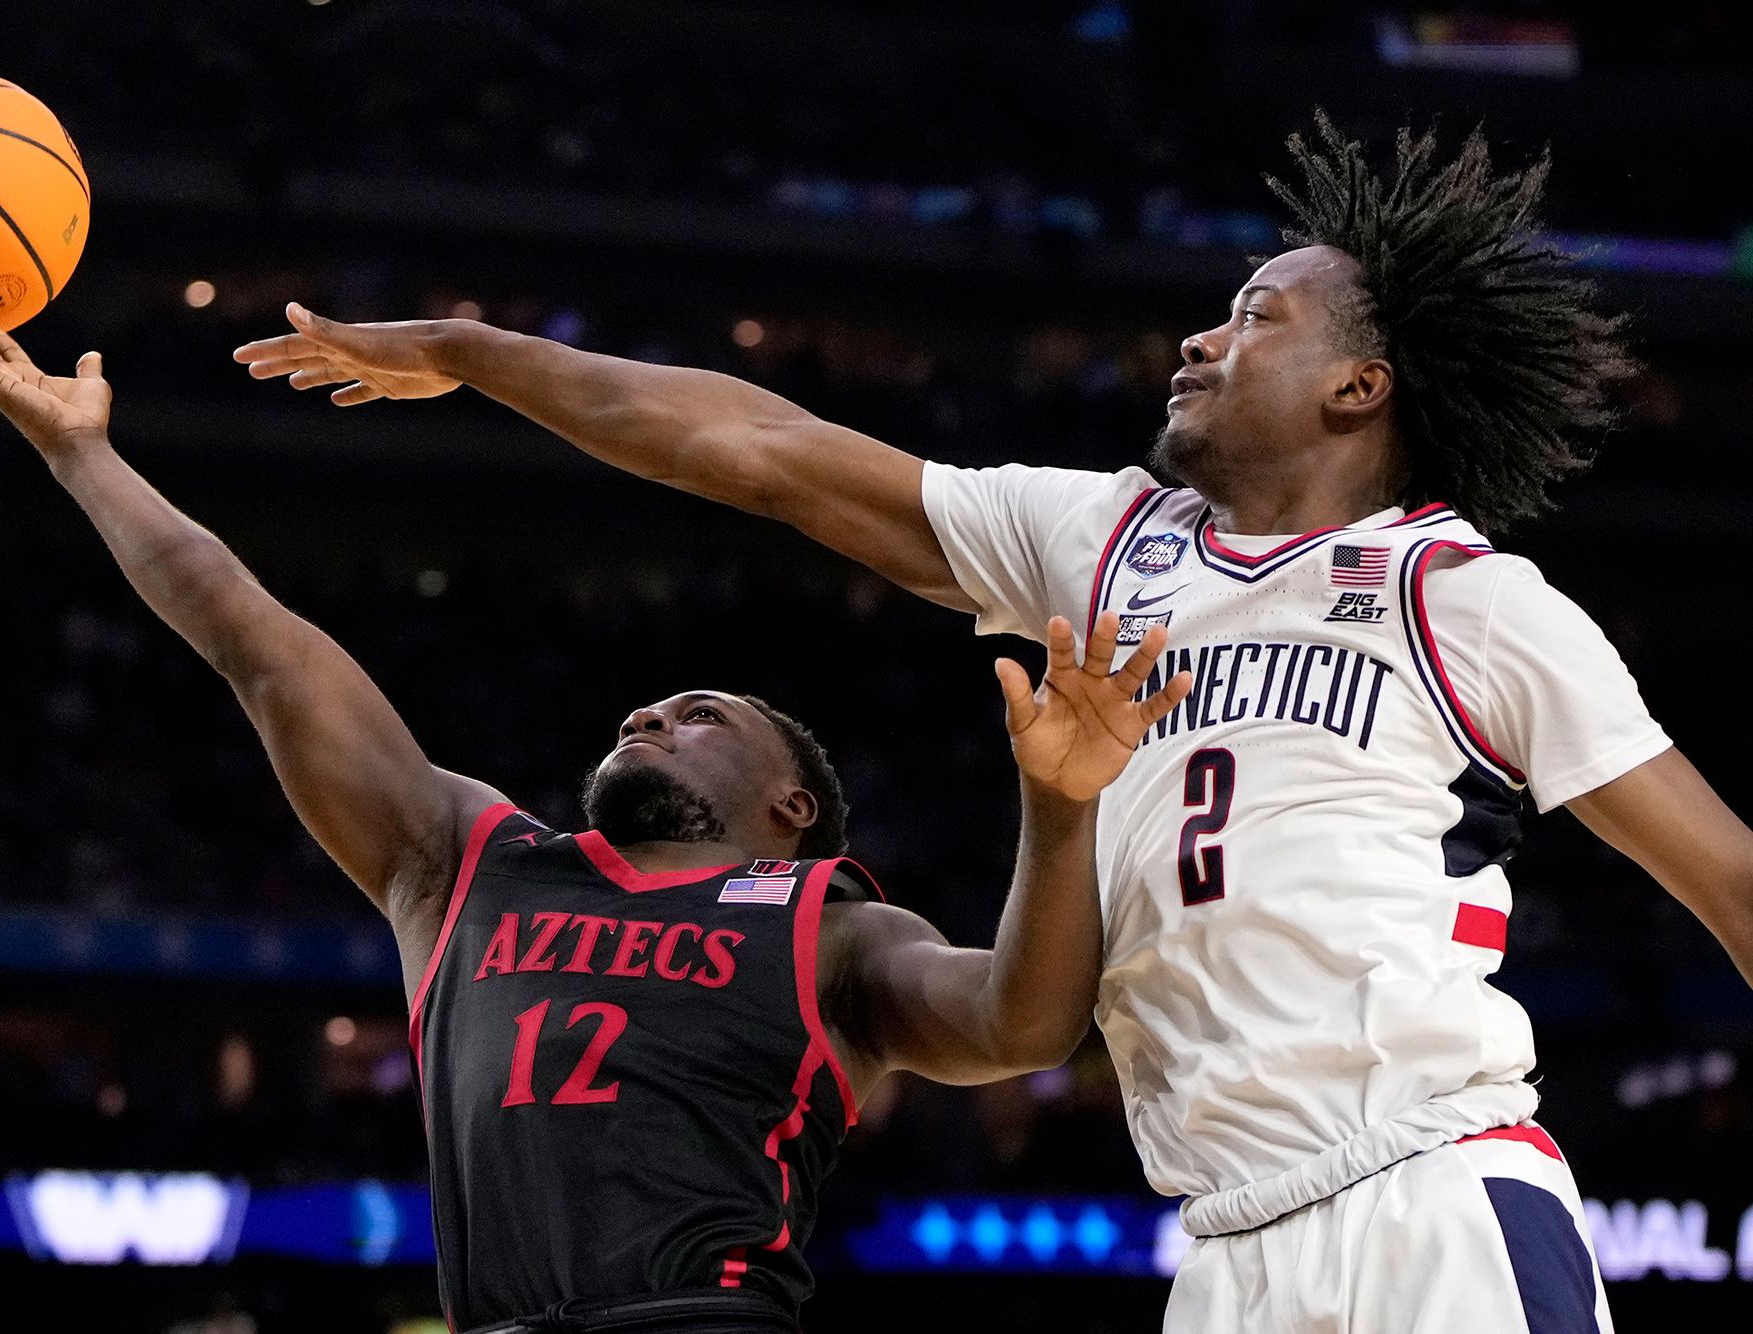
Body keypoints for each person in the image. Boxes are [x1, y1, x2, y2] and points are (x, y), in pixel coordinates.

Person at [234, 114, 1753, 1333]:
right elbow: (765, 450)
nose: (1203, 340)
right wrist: (481, 354)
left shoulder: (1467, 601)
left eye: (1254, 316)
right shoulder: (1107, 543)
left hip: (1435, 1187)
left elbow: (1730, 881)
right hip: (1223, 1238)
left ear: (1360, 385)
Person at [0, 296, 1189, 1333]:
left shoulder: (827, 924)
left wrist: (1058, 803)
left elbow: (1021, 1023)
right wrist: (80, 455)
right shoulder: (464, 858)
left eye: (699, 713)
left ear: (790, 803)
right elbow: (253, 640)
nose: (648, 720)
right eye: (641, 713)